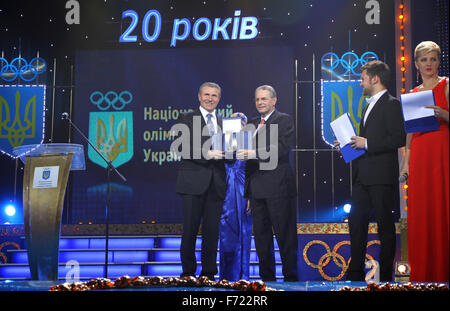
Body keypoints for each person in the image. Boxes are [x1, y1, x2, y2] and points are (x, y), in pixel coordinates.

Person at [334, 61, 406, 282]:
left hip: (382, 177)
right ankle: (355, 273)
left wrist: (366, 142)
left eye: (363, 77)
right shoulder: (367, 105)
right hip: (362, 176)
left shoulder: (391, 104)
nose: (360, 81)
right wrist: (348, 144)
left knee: (385, 227)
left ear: (375, 79)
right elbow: (365, 142)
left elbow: (398, 138)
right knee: (356, 224)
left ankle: (385, 277)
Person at [237, 85, 298, 282]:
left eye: (264, 99)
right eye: (257, 99)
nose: (260, 103)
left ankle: (291, 279)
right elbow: (246, 164)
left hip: (279, 187)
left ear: (274, 101)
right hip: (256, 190)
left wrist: (253, 153)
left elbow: (280, 149)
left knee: (285, 237)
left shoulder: (283, 120)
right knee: (262, 239)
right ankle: (267, 280)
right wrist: (247, 194)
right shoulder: (252, 124)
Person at [400, 41, 449, 282]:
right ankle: (423, 275)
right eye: (424, 60)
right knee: (422, 210)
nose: (429, 64)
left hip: (442, 152)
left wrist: (443, 114)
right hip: (419, 154)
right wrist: (406, 162)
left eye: (433, 59)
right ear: (416, 64)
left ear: (438, 61)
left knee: (443, 206)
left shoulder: (447, 85)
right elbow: (410, 133)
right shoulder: (412, 94)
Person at [175, 82, 226, 280]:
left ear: (219, 99)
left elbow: (228, 153)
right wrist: (208, 153)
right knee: (190, 230)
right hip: (192, 183)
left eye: (214, 95)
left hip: (216, 184)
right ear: (199, 96)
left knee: (212, 232)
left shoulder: (224, 122)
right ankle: (188, 272)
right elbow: (181, 147)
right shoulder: (187, 118)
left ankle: (209, 273)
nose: (210, 98)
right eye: (206, 94)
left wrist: (235, 151)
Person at [219, 112, 252, 281]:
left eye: (241, 122)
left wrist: (251, 195)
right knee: (226, 234)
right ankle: (226, 276)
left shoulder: (250, 142)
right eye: (234, 121)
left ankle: (242, 276)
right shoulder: (221, 141)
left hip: (243, 190)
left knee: (244, 233)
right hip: (225, 192)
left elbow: (254, 171)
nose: (238, 125)